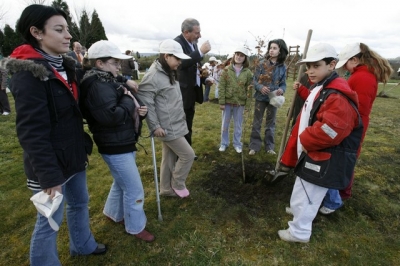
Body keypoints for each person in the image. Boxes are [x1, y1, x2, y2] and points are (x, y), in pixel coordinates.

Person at [4, 4, 106, 265]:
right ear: (36, 32)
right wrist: (48, 175)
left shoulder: (65, 66)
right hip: (51, 164)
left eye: (67, 29)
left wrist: (122, 81)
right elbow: (31, 132)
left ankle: (82, 245)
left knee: (80, 203)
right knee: (49, 220)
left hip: (73, 154)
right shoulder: (28, 75)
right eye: (59, 30)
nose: (68, 36)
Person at [277, 43, 362, 243]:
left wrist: (305, 140)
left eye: (316, 66)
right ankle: (298, 212)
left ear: (332, 65)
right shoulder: (323, 87)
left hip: (321, 155)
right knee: (302, 189)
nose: (310, 71)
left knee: (308, 194)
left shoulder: (337, 95)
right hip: (312, 152)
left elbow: (331, 130)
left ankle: (299, 232)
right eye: (308, 67)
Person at [79, 40, 155, 242]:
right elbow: (111, 116)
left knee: (121, 182)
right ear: (100, 64)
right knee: (134, 188)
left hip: (120, 141)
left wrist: (139, 111)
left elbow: (120, 107)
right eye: (114, 62)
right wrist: (130, 100)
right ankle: (135, 226)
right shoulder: (97, 85)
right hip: (114, 144)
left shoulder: (107, 80)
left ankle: (113, 212)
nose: (118, 66)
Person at [320, 42, 393, 215]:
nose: (345, 67)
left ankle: (340, 193)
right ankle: (341, 190)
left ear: (354, 59)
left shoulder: (363, 77)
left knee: (345, 155)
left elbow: (358, 107)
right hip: (354, 122)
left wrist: (344, 124)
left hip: (353, 124)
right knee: (346, 155)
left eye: (346, 63)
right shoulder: (363, 74)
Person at [137, 39, 195, 198]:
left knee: (169, 158)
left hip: (176, 122)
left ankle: (166, 189)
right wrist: (155, 126)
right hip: (166, 127)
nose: (179, 62)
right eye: (177, 58)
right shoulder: (153, 76)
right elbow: (145, 101)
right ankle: (177, 183)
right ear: (166, 56)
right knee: (188, 155)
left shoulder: (168, 71)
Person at [174, 18, 211, 147]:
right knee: (182, 125)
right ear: (186, 32)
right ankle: (183, 154)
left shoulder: (193, 43)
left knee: (188, 123)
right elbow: (181, 64)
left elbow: (195, 66)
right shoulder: (177, 44)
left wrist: (204, 79)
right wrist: (200, 52)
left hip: (192, 92)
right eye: (197, 33)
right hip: (182, 93)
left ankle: (187, 152)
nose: (199, 36)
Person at [248, 39, 288, 155]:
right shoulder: (261, 64)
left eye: (274, 48)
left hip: (273, 99)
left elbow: (283, 83)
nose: (271, 50)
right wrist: (260, 87)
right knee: (257, 122)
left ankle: (269, 147)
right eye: (270, 48)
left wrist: (282, 89)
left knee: (271, 123)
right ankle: (254, 146)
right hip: (261, 98)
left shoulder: (282, 67)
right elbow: (254, 80)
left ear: (280, 51)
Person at [218, 47, 253, 153]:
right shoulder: (226, 70)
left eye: (241, 55)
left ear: (245, 58)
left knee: (238, 125)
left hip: (240, 103)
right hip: (228, 102)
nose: (238, 57)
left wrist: (247, 105)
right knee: (225, 124)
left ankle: (237, 144)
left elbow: (250, 90)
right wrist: (222, 102)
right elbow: (222, 86)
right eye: (237, 54)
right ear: (234, 56)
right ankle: (224, 143)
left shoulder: (248, 73)